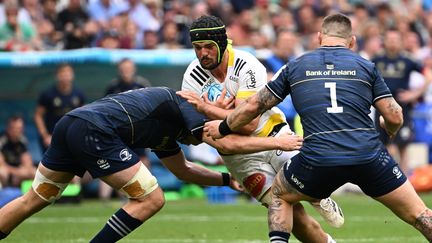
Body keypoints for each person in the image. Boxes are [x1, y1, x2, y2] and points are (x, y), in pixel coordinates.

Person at [205, 13, 432, 242]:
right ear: (352, 41)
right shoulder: (366, 66)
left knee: (280, 196)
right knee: (421, 216)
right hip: (368, 156)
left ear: (318, 37)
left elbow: (254, 105)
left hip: (318, 158)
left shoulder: (295, 66)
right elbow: (394, 114)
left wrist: (223, 128)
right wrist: (390, 129)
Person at [0, 87, 303, 242]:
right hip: (95, 129)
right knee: (151, 198)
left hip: (73, 123)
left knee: (36, 198)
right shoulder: (187, 106)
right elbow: (222, 141)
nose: (207, 136)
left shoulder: (169, 131)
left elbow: (184, 170)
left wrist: (227, 180)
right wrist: (278, 142)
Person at [178, 15, 342, 243]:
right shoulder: (192, 77)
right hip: (241, 159)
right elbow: (218, 136)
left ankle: (316, 194)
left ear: (222, 43)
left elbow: (250, 123)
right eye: (197, 47)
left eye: (208, 47)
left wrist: (207, 108)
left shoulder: (247, 64)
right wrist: (224, 113)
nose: (202, 53)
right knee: (291, 212)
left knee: (304, 186)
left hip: (276, 136)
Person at [372, 29, 430, 174]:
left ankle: (405, 181)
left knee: (403, 146)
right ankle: (390, 179)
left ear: (401, 41)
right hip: (381, 109)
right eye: (389, 39)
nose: (392, 42)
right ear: (384, 41)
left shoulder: (408, 60)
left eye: (395, 39)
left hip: (402, 109)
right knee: (384, 146)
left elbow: (428, 75)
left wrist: (413, 94)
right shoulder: (376, 59)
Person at [100, 58, 152, 201]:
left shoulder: (142, 84)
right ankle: (115, 195)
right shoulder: (113, 87)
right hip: (119, 132)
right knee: (119, 162)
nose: (126, 71)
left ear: (133, 69)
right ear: (119, 70)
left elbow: (150, 107)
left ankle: (146, 191)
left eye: (128, 68)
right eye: (123, 68)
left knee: (142, 161)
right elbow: (105, 109)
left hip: (139, 131)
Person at [34, 63, 86, 152]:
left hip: (72, 137)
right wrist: (45, 135)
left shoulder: (79, 94)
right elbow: (38, 116)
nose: (65, 76)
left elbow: (85, 116)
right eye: (62, 73)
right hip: (51, 137)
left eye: (68, 73)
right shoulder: (48, 94)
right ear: (57, 76)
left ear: (72, 75)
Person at [0, 115, 35, 207]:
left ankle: (30, 199)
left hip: (17, 173)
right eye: (16, 128)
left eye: (20, 128)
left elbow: (28, 163)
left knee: (34, 172)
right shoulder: (2, 140)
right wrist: (17, 171)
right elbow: (1, 164)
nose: (19, 130)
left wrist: (23, 171)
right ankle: (4, 199)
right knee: (3, 173)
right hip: (6, 172)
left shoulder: (22, 140)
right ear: (9, 128)